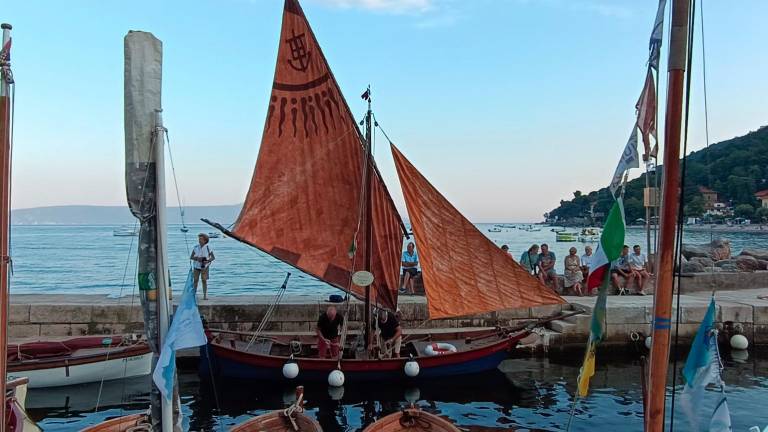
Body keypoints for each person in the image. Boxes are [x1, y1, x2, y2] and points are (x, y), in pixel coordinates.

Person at [191, 233, 215, 300]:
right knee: (195, 280)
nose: (199, 240)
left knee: (204, 280)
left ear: (205, 240)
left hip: (205, 266)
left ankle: (205, 296)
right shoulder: (195, 247)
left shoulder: (208, 247)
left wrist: (207, 261)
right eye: (199, 239)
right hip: (196, 266)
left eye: (201, 239)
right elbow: (191, 257)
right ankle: (193, 295)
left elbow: (213, 257)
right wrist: (197, 258)